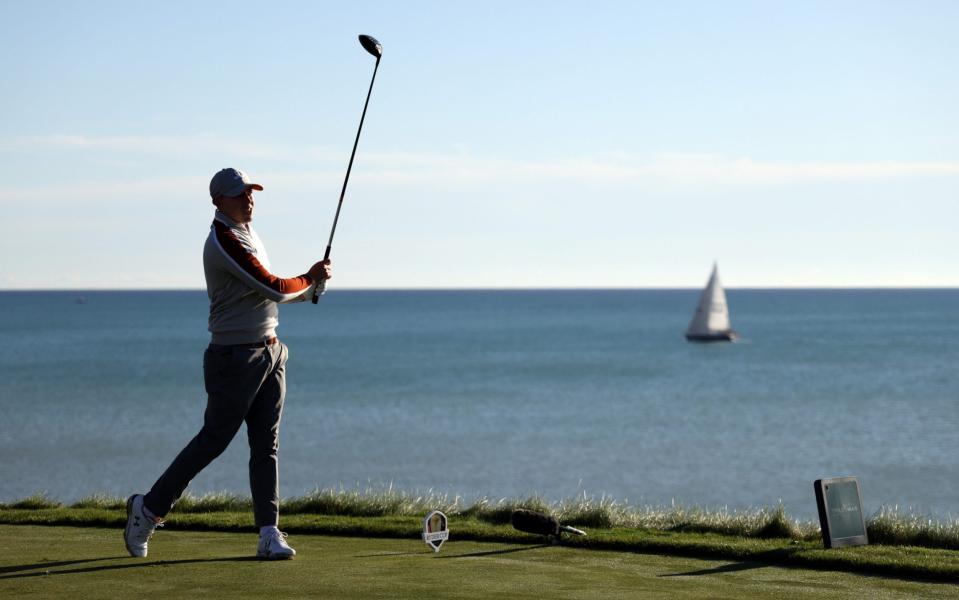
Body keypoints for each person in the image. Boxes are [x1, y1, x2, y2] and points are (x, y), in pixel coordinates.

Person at [124, 168, 331, 560]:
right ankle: (148, 510)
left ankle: (268, 532)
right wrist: (309, 277)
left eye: (250, 193)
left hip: (270, 351)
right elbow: (270, 285)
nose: (248, 199)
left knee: (265, 446)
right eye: (239, 195)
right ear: (219, 201)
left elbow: (265, 296)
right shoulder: (222, 240)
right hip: (233, 357)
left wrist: (308, 290)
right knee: (213, 441)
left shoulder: (249, 233)